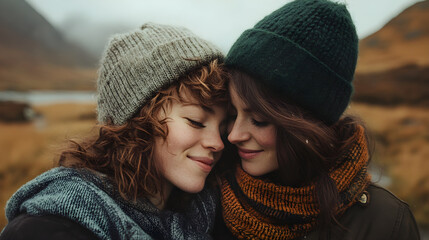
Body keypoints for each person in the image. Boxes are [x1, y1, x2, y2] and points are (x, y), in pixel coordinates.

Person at [1, 22, 229, 240]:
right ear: (137, 121)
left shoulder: (215, 213)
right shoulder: (49, 227)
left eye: (224, 126)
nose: (218, 143)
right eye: (196, 121)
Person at [214, 0, 421, 239]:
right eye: (232, 115)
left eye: (259, 120)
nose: (233, 135)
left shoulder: (387, 224)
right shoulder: (208, 199)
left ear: (309, 122)